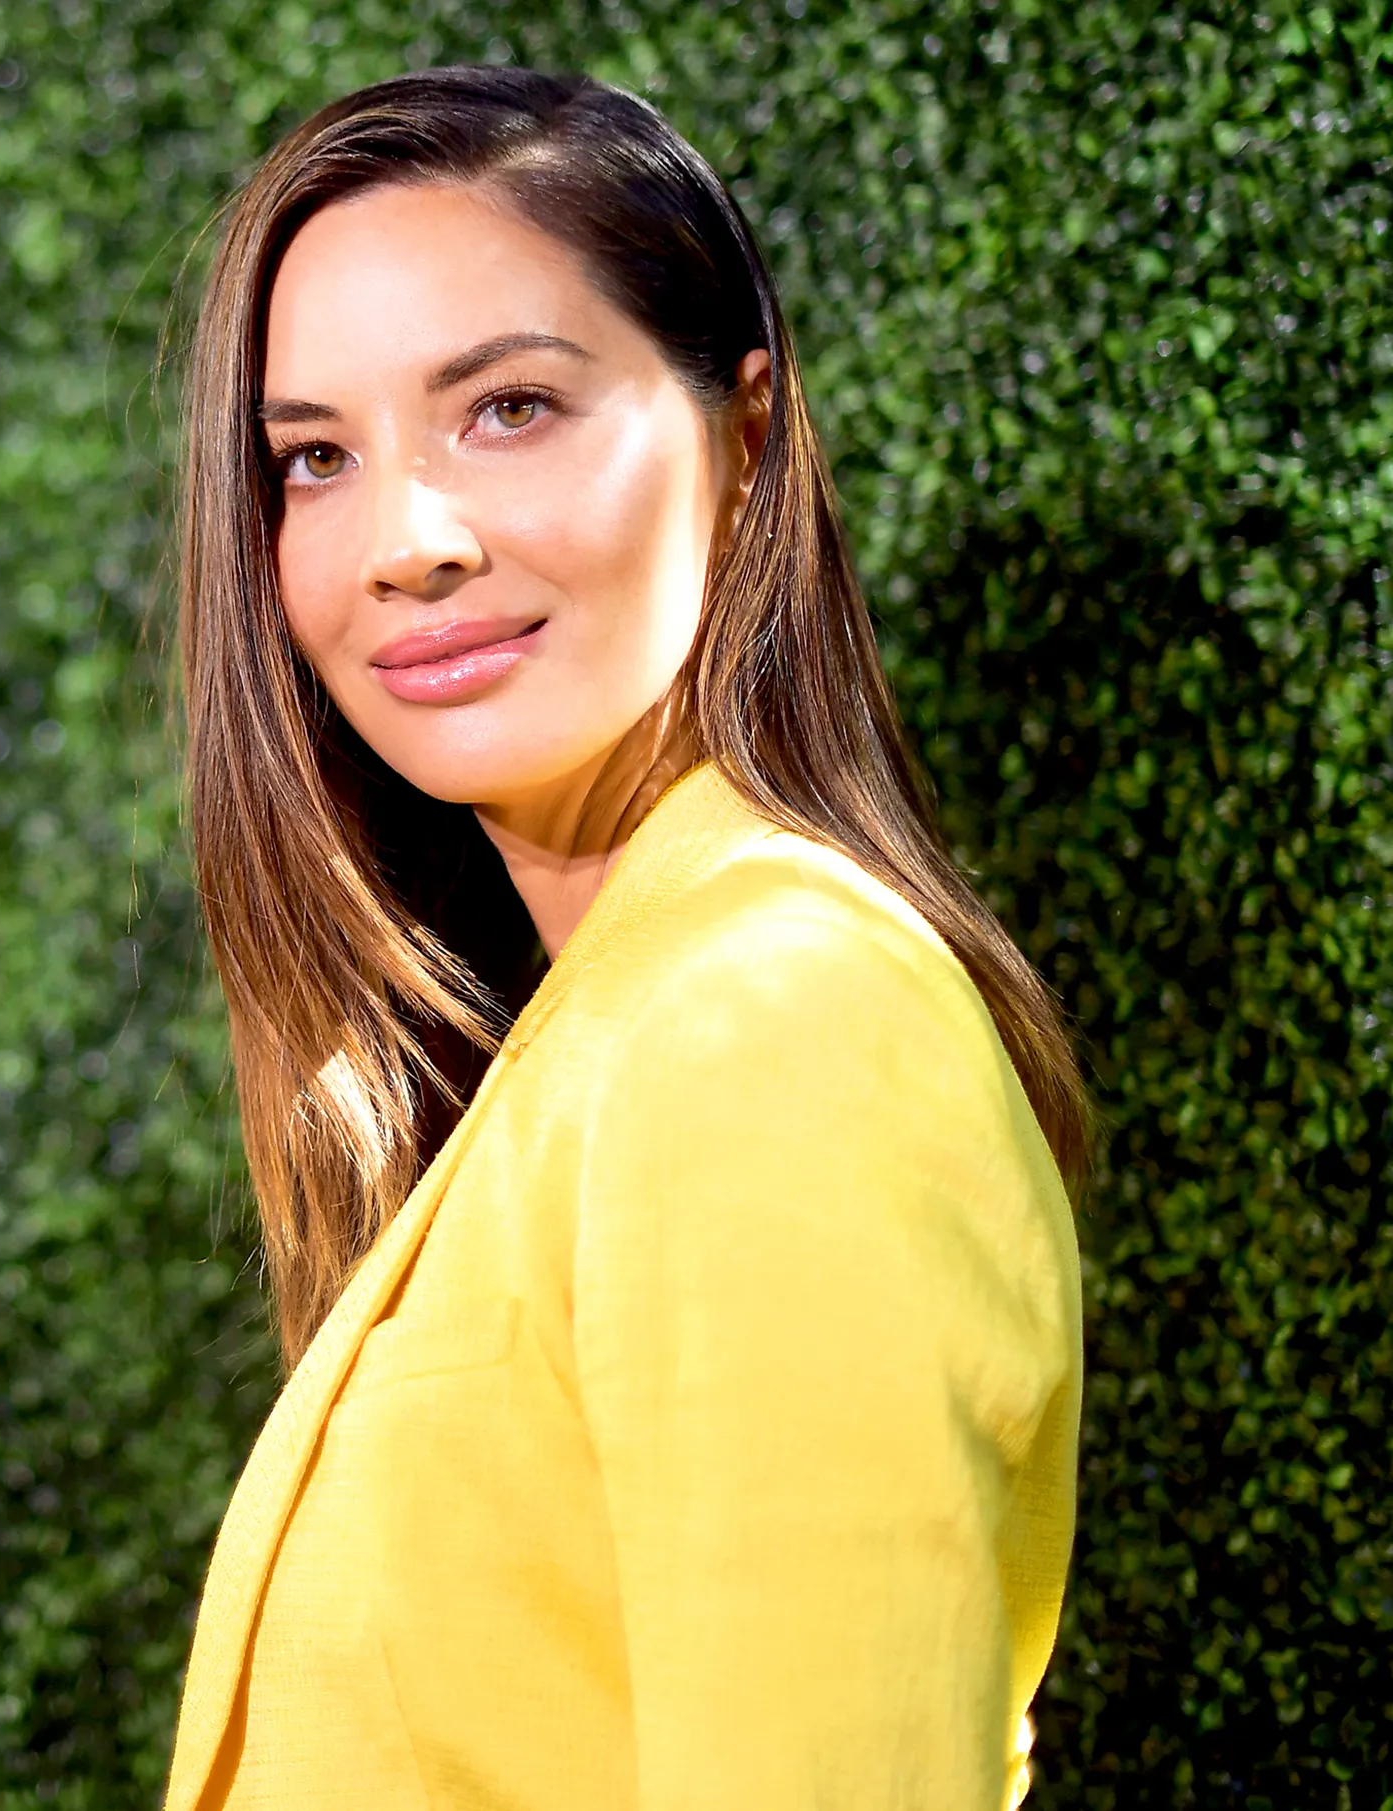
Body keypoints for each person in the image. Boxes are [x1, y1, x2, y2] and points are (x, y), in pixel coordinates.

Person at [163, 64, 1085, 1811]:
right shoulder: (608, 1031)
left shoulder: (775, 1021)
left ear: (746, 440)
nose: (406, 543)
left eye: (508, 408)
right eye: (316, 459)